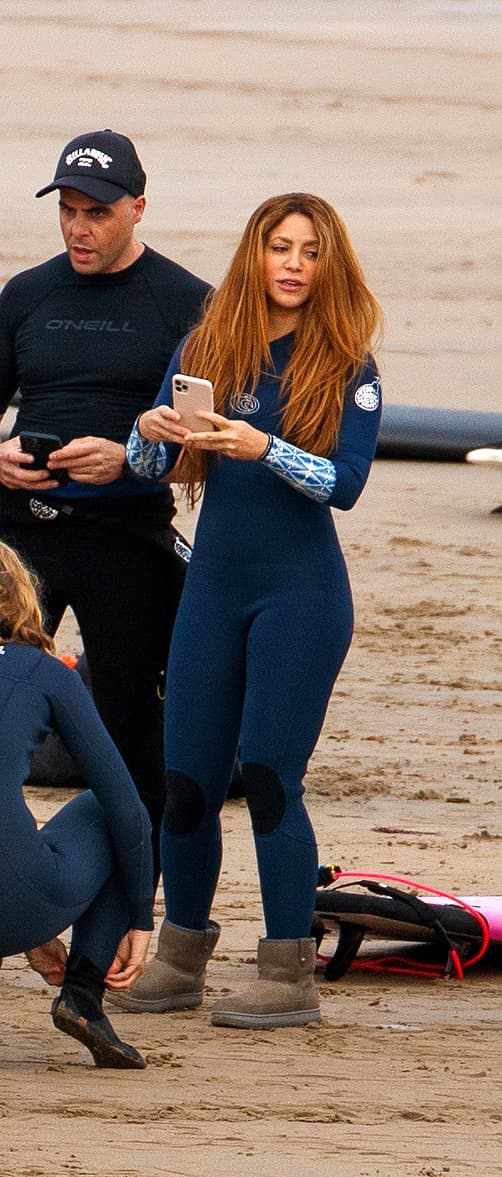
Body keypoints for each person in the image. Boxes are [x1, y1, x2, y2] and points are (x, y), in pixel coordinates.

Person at [111, 192, 382, 1028]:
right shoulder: (208, 345)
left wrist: (264, 446)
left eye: (310, 250)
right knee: (186, 781)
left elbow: (345, 485)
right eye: (280, 247)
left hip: (300, 597)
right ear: (255, 256)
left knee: (268, 777)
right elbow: (143, 467)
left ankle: (287, 970)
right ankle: (181, 952)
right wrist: (153, 428)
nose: (294, 263)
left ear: (329, 266)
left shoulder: (348, 366)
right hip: (214, 592)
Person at [0, 130, 211, 875]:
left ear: (138, 208)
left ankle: (135, 897)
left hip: (126, 538)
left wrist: (132, 459)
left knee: (129, 726)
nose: (78, 229)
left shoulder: (187, 302)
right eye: (67, 211)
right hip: (20, 534)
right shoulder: (27, 294)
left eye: (97, 213)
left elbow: (215, 446)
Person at [0, 540, 153, 1068]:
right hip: (16, 903)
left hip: (19, 903)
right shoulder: (43, 672)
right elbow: (127, 807)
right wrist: (139, 918)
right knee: (108, 808)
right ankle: (84, 993)